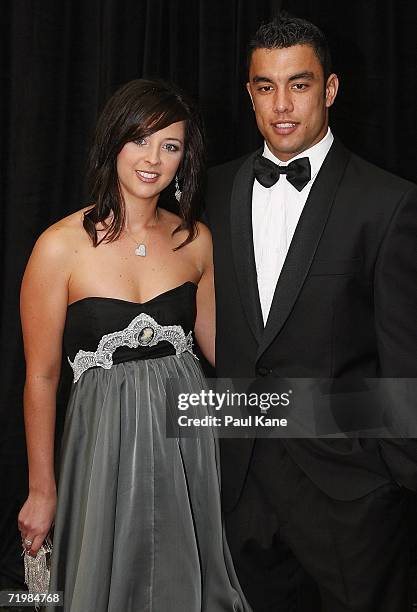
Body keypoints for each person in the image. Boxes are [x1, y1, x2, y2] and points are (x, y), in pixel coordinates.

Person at [204, 14, 417, 612]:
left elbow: (404, 362)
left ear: (329, 90)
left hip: (349, 493)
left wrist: (391, 481)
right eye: (265, 87)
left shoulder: (389, 203)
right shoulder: (214, 191)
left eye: (298, 84)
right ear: (249, 93)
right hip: (241, 484)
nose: (282, 105)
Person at [17, 78, 250, 612]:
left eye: (170, 146)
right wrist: (42, 488)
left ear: (184, 159)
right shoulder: (59, 247)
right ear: (113, 142)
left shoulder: (197, 240)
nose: (153, 159)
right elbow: (41, 377)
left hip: (187, 445)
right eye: (140, 139)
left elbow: (221, 351)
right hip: (102, 445)